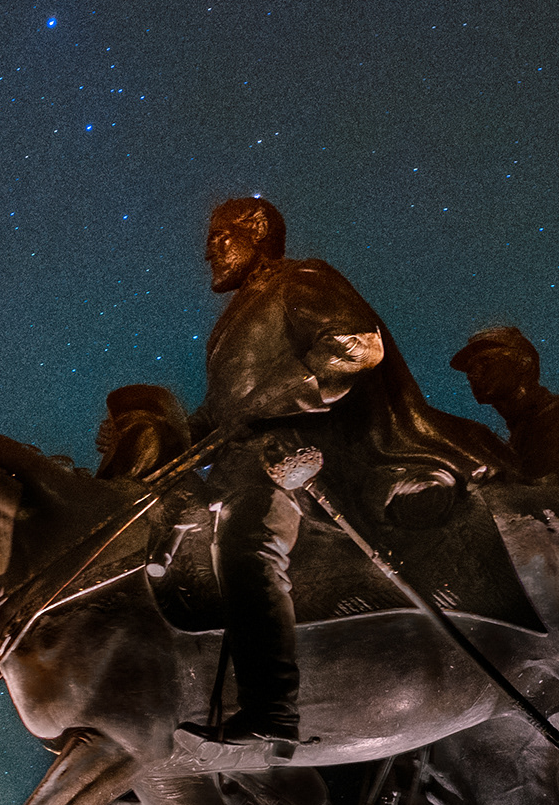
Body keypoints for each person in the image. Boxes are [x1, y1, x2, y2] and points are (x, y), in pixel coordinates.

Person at [189, 197, 507, 742]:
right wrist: (162, 439)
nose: (208, 252)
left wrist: (273, 396)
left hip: (301, 457)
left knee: (246, 540)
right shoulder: (236, 315)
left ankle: (271, 711)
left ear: (258, 232)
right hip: (241, 460)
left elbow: (355, 344)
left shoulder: (300, 280)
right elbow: (223, 410)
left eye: (221, 237)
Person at [451, 323, 559, 497]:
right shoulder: (521, 431)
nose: (473, 374)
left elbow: (542, 492)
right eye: (470, 368)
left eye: (485, 361)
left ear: (523, 363)